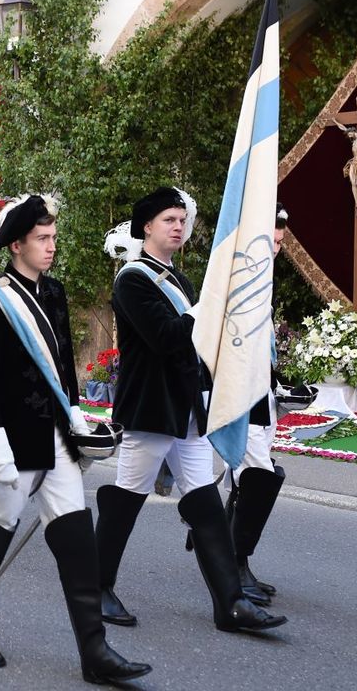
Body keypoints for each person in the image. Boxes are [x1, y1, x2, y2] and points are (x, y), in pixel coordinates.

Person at [0, 194, 151, 684]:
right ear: (16, 244)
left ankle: (95, 651)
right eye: (42, 239)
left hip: (56, 438)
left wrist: (78, 417)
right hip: (13, 442)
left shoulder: (55, 293)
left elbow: (63, 367)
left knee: (76, 536)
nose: (51, 247)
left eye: (53, 237)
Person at [96, 186, 285, 634]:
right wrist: (210, 306)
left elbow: (199, 339)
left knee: (204, 504)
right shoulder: (132, 279)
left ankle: (230, 603)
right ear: (147, 227)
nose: (179, 227)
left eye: (182, 220)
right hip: (151, 407)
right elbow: (166, 337)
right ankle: (96, 588)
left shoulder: (177, 278)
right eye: (169, 220)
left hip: (185, 407)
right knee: (126, 498)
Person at [224, 202, 293, 607]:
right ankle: (233, 564)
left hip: (260, 395)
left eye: (282, 242)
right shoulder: (237, 280)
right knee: (257, 476)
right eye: (274, 240)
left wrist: (280, 386)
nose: (278, 248)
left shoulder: (263, 277)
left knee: (255, 477)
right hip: (238, 396)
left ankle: (237, 560)